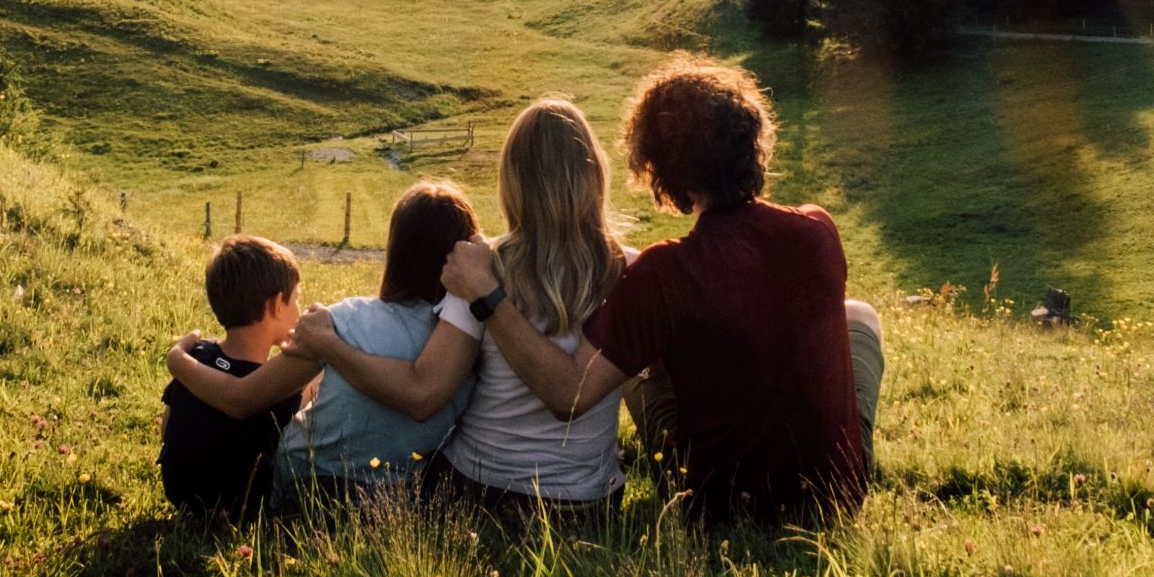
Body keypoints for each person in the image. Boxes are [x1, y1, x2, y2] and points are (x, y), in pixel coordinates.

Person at [442, 57, 878, 523]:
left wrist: (487, 292)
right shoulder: (818, 229)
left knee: (630, 361)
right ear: (751, 142)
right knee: (859, 318)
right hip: (836, 498)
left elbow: (569, 392)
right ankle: (846, 450)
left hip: (726, 506)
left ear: (660, 166)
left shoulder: (666, 272)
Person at [291, 97, 630, 516]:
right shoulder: (630, 270)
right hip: (590, 501)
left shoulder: (480, 265)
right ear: (594, 171)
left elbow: (422, 393)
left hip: (478, 489)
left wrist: (333, 346)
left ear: (512, 179)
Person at [164, 183, 479, 509]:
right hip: (392, 499)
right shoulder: (468, 344)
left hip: (301, 484)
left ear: (396, 248)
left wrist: (177, 359)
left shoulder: (345, 320)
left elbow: (242, 398)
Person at [159, 232, 303, 520]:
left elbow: (167, 425)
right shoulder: (272, 386)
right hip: (243, 507)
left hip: (180, 492)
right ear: (276, 304)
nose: (300, 308)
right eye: (297, 298)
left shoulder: (197, 355)